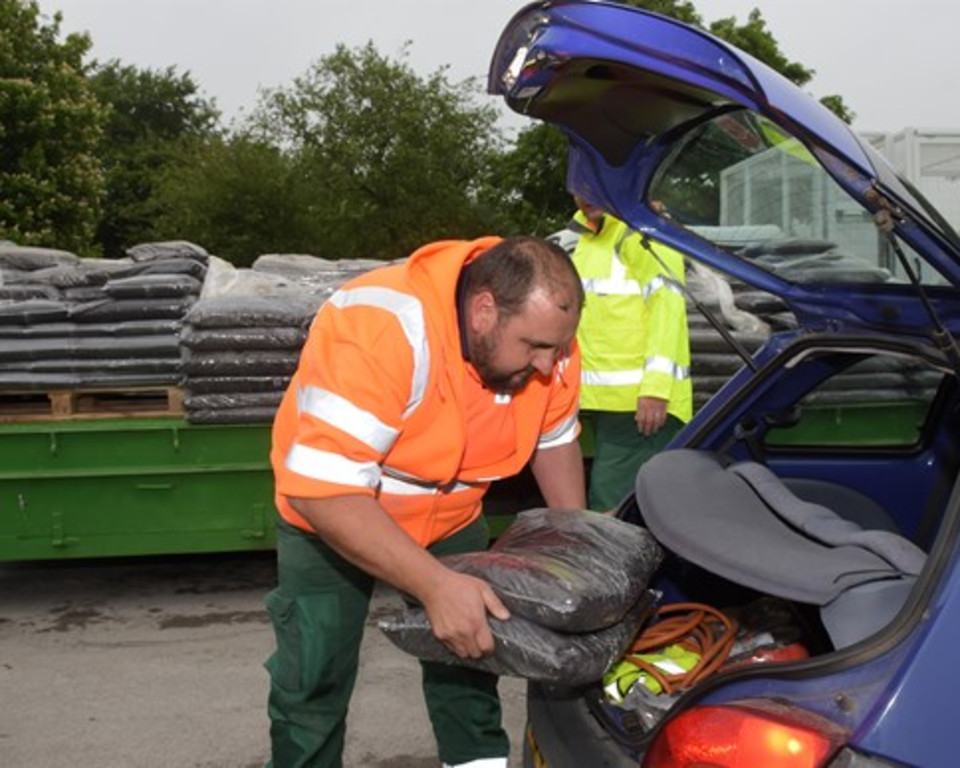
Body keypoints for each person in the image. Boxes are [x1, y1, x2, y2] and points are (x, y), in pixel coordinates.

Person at [266, 235, 587, 768]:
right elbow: (323, 491)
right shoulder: (383, 326)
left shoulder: (548, 338)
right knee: (313, 680)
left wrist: (573, 546)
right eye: (534, 348)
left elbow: (554, 441)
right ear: (484, 310)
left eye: (557, 349)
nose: (548, 367)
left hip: (452, 518)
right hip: (332, 519)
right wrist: (435, 586)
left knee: (470, 663)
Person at [552, 195, 692, 511]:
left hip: (640, 408)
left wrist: (656, 389)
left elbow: (667, 308)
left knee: (611, 507)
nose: (583, 195)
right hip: (608, 405)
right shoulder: (590, 238)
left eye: (593, 185)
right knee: (622, 505)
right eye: (576, 187)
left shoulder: (641, 233)